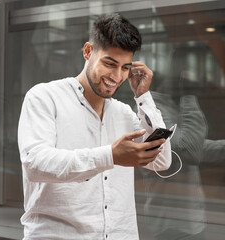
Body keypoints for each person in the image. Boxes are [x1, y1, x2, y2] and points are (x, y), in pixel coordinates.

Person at [17, 13, 171, 240]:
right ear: (88, 51)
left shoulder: (123, 112)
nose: (117, 76)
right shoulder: (44, 97)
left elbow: (161, 161)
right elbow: (35, 164)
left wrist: (143, 97)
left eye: (125, 67)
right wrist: (110, 156)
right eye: (110, 64)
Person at [141, 91, 225, 240]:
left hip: (188, 217)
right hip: (172, 220)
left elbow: (193, 147)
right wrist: (189, 98)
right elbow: (184, 149)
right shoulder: (152, 110)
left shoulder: (171, 106)